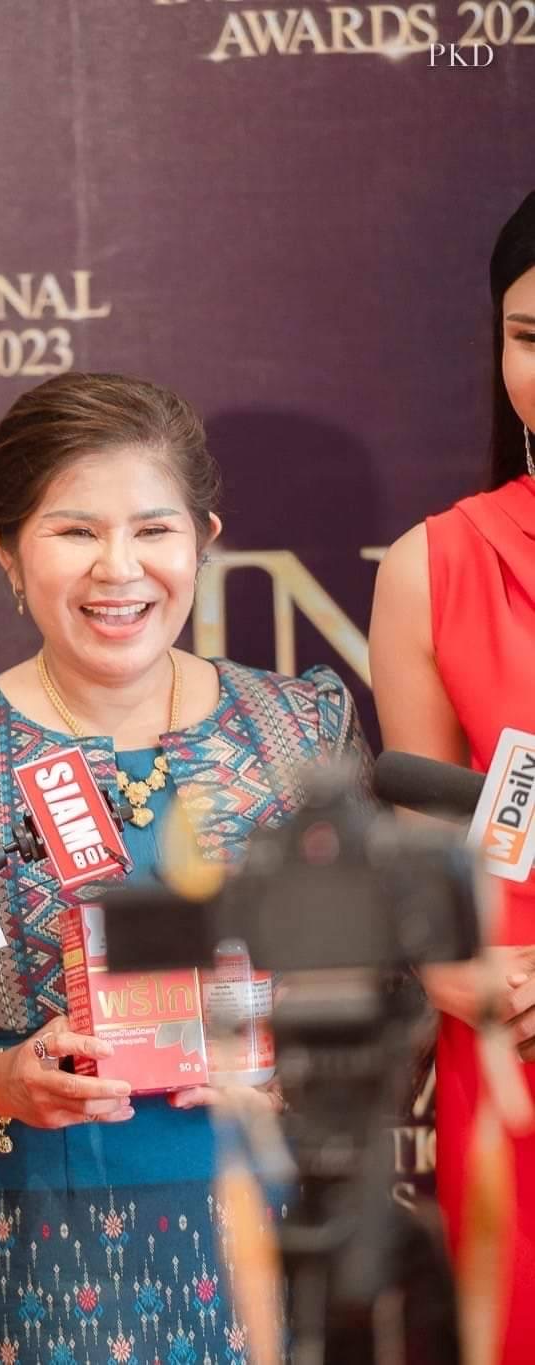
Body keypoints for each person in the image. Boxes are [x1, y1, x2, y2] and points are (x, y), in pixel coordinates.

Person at [0, 371, 370, 1365]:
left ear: (204, 540)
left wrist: (298, 1078)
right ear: (6, 549)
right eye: (75, 530)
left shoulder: (298, 733)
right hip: (37, 1249)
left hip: (280, 1227)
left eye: (153, 529)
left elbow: (380, 976)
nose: (118, 568)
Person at [369, 192, 535, 1365]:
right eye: (527, 338)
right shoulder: (438, 564)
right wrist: (469, 984)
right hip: (514, 1060)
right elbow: (419, 871)